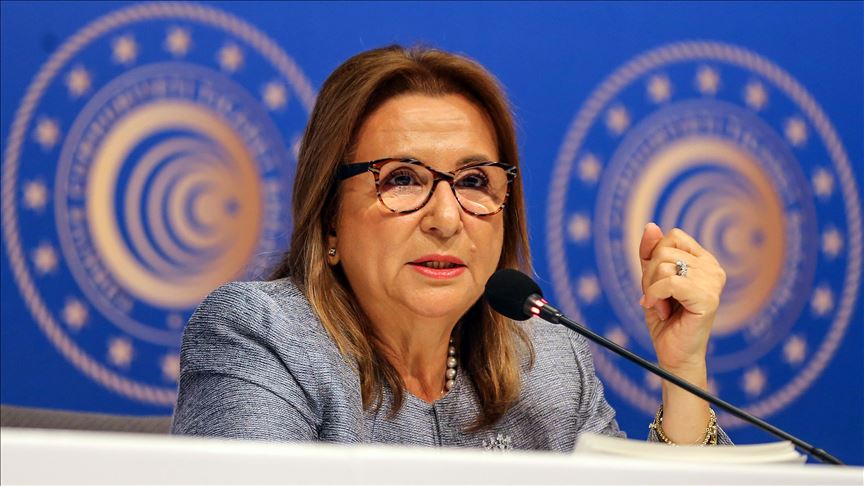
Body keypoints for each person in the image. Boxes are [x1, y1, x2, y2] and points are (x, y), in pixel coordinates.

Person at [171, 45, 731, 449]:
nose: (445, 218)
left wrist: (683, 368)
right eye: (402, 179)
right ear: (329, 219)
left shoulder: (547, 361)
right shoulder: (263, 335)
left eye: (473, 182)